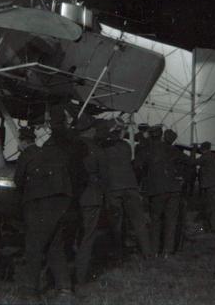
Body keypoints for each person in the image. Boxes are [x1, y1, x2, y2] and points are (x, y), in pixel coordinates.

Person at [14, 126, 74, 300]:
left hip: (39, 205)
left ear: (22, 142)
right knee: (55, 245)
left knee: (33, 246)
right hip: (59, 204)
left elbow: (18, 181)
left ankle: (31, 290)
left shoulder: (26, 154)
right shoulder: (48, 153)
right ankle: (65, 288)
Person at [99, 124, 152, 260]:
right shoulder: (126, 146)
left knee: (116, 223)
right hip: (130, 185)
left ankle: (118, 254)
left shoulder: (104, 147)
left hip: (114, 187)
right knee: (138, 220)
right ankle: (147, 252)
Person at [134, 126, 181, 257]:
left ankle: (154, 250)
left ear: (150, 135)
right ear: (161, 135)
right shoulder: (171, 149)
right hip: (173, 189)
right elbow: (189, 161)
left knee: (155, 220)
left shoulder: (146, 150)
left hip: (156, 190)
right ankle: (167, 251)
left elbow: (136, 166)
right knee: (171, 221)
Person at [74, 119, 104, 285]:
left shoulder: (70, 146)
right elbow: (105, 174)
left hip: (72, 197)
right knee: (88, 236)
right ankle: (81, 275)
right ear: (91, 130)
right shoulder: (96, 149)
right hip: (91, 196)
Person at [195, 141, 215, 233]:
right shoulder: (214, 156)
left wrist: (194, 150)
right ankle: (214, 225)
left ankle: (212, 227)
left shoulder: (205, 157)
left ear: (203, 149)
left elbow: (193, 162)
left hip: (210, 186)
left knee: (210, 207)